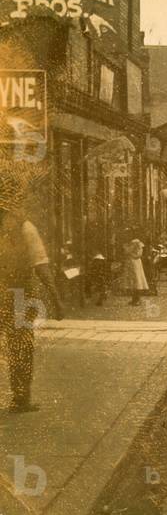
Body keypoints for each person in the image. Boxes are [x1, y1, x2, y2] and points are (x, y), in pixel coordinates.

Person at [0, 175, 64, 413]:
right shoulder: (24, 226)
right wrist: (56, 301)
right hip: (18, 294)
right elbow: (41, 267)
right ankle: (20, 399)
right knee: (21, 347)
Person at [123, 234, 149, 305]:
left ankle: (138, 299)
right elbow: (125, 252)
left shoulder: (138, 243)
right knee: (131, 281)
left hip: (135, 263)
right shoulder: (127, 244)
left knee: (137, 280)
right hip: (129, 263)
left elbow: (139, 254)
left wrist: (131, 254)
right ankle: (133, 299)